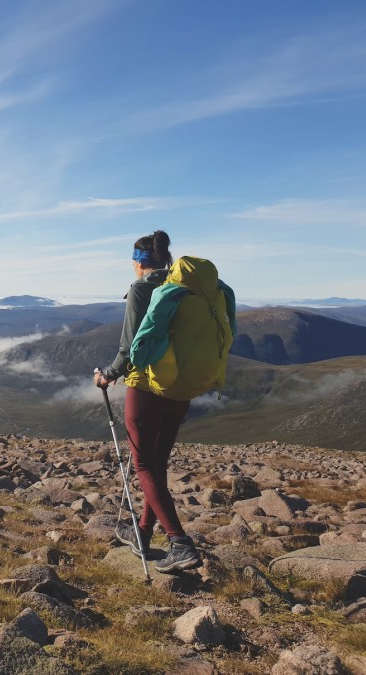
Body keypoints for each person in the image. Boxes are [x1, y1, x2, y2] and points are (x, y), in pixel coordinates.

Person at [92, 230, 202, 573]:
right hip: (180, 387)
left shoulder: (142, 289)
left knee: (144, 466)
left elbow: (129, 347)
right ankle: (142, 532)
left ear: (139, 262)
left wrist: (107, 375)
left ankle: (179, 543)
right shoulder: (183, 289)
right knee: (158, 464)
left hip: (146, 387)